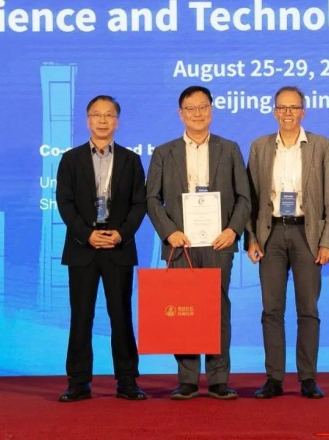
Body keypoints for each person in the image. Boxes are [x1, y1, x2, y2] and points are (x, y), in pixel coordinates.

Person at [146, 85, 251, 400]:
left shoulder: (229, 149)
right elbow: (152, 199)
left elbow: (244, 197)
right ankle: (188, 379)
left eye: (203, 107)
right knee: (184, 309)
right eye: (190, 108)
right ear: (181, 114)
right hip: (181, 243)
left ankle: (219, 379)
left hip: (219, 242)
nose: (197, 113)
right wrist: (169, 232)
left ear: (211, 110)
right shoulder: (164, 152)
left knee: (218, 308)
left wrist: (233, 230)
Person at [245, 86, 329, 399]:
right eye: (282, 107)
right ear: (274, 111)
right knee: (271, 310)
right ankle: (273, 379)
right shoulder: (259, 146)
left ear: (303, 111)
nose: (288, 113)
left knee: (308, 309)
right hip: (270, 234)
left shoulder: (322, 146)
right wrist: (251, 238)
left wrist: (328, 241)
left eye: (294, 107)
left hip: (307, 235)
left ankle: (307, 378)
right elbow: (250, 198)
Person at [56, 95, 147, 402]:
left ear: (117, 121)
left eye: (109, 115)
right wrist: (87, 235)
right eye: (97, 115)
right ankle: (78, 382)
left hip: (117, 246)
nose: (103, 120)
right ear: (88, 120)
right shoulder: (70, 159)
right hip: (83, 247)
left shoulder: (131, 160)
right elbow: (65, 203)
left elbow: (139, 204)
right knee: (81, 317)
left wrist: (120, 234)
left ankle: (127, 381)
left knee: (121, 316)